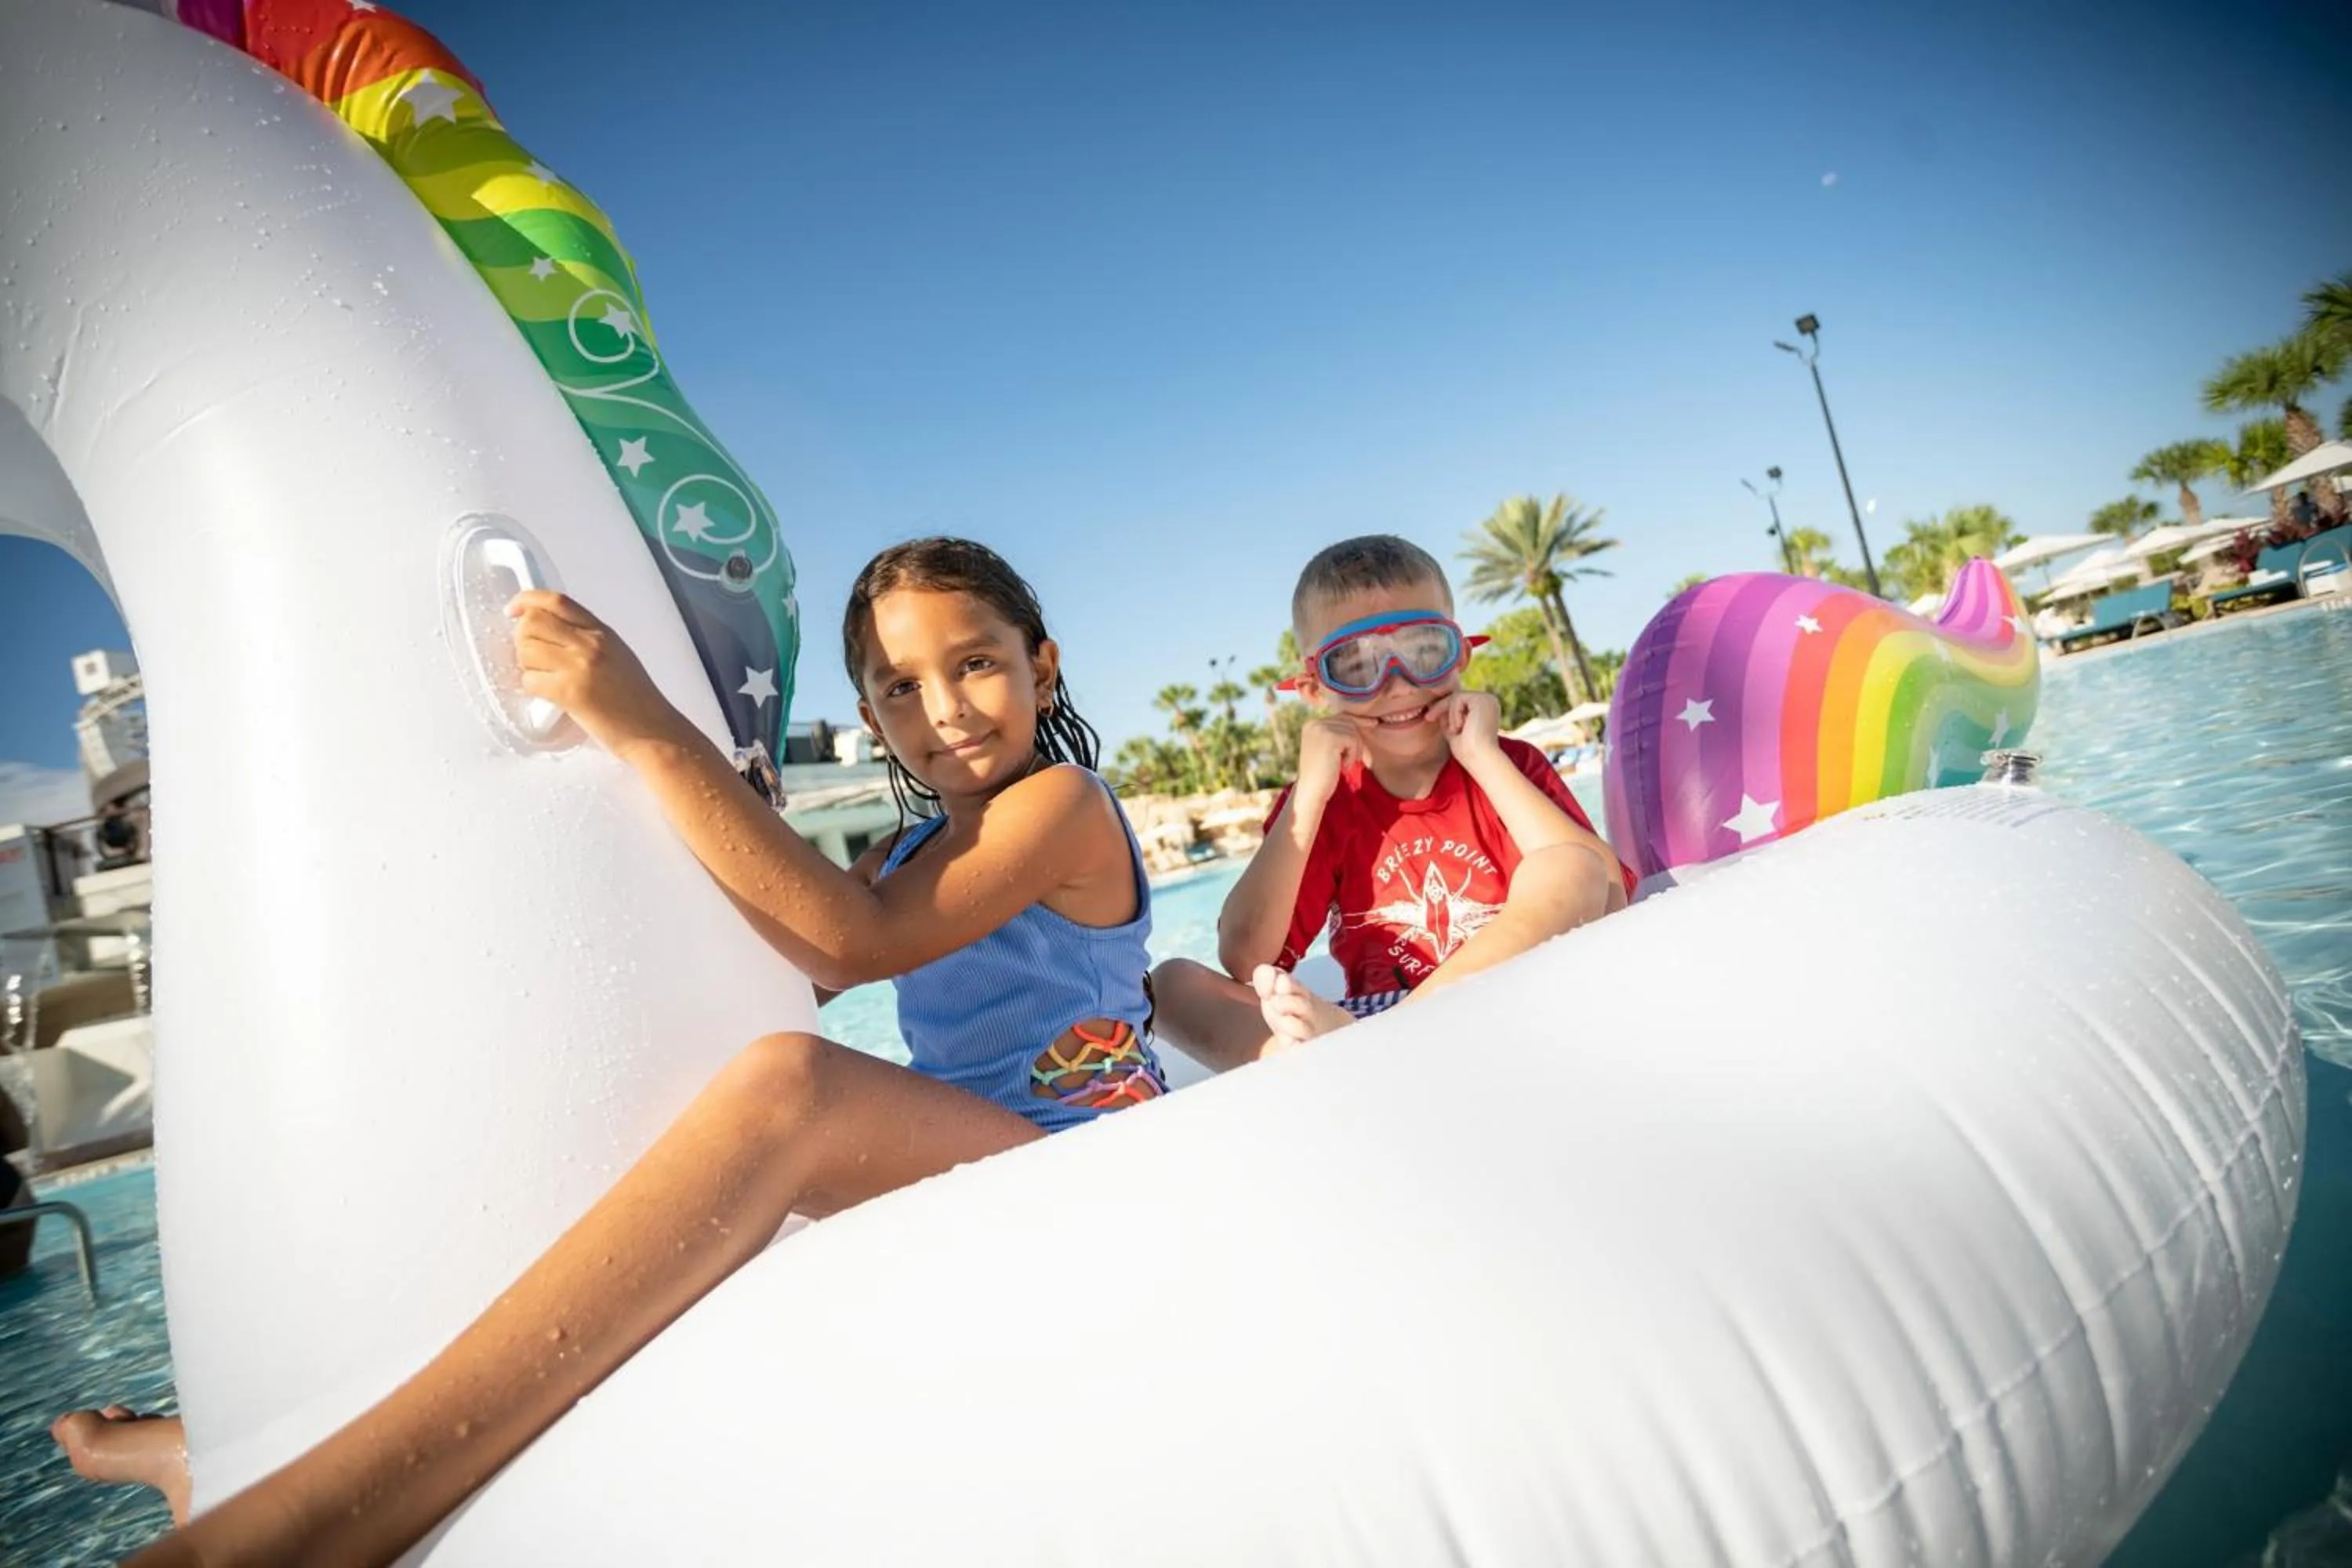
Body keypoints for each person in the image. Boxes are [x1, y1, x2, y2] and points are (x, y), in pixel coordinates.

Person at [69, 537, 1164, 1565]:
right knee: (632, 1161)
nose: (945, 709)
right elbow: (793, 958)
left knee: (795, 1088)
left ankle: (311, 1518)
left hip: (1084, 1148)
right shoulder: (900, 852)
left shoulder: (1061, 804)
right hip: (987, 1149)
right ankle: (240, 1462)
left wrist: (640, 724)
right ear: (874, 719)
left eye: (975, 664)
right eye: (901, 687)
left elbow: (856, 942)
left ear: (1044, 667)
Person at [1152, 535, 1628, 1071]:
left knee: (1570, 864)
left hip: (1510, 987)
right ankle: (1368, 1049)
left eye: (1424, 652)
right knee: (1171, 986)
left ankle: (1387, 1047)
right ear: (1313, 688)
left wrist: (1483, 758)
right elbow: (1245, 959)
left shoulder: (1508, 764)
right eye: (1357, 666)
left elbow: (1607, 888)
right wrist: (1308, 796)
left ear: (1461, 653)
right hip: (1367, 1021)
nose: (1398, 686)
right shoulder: (1326, 801)